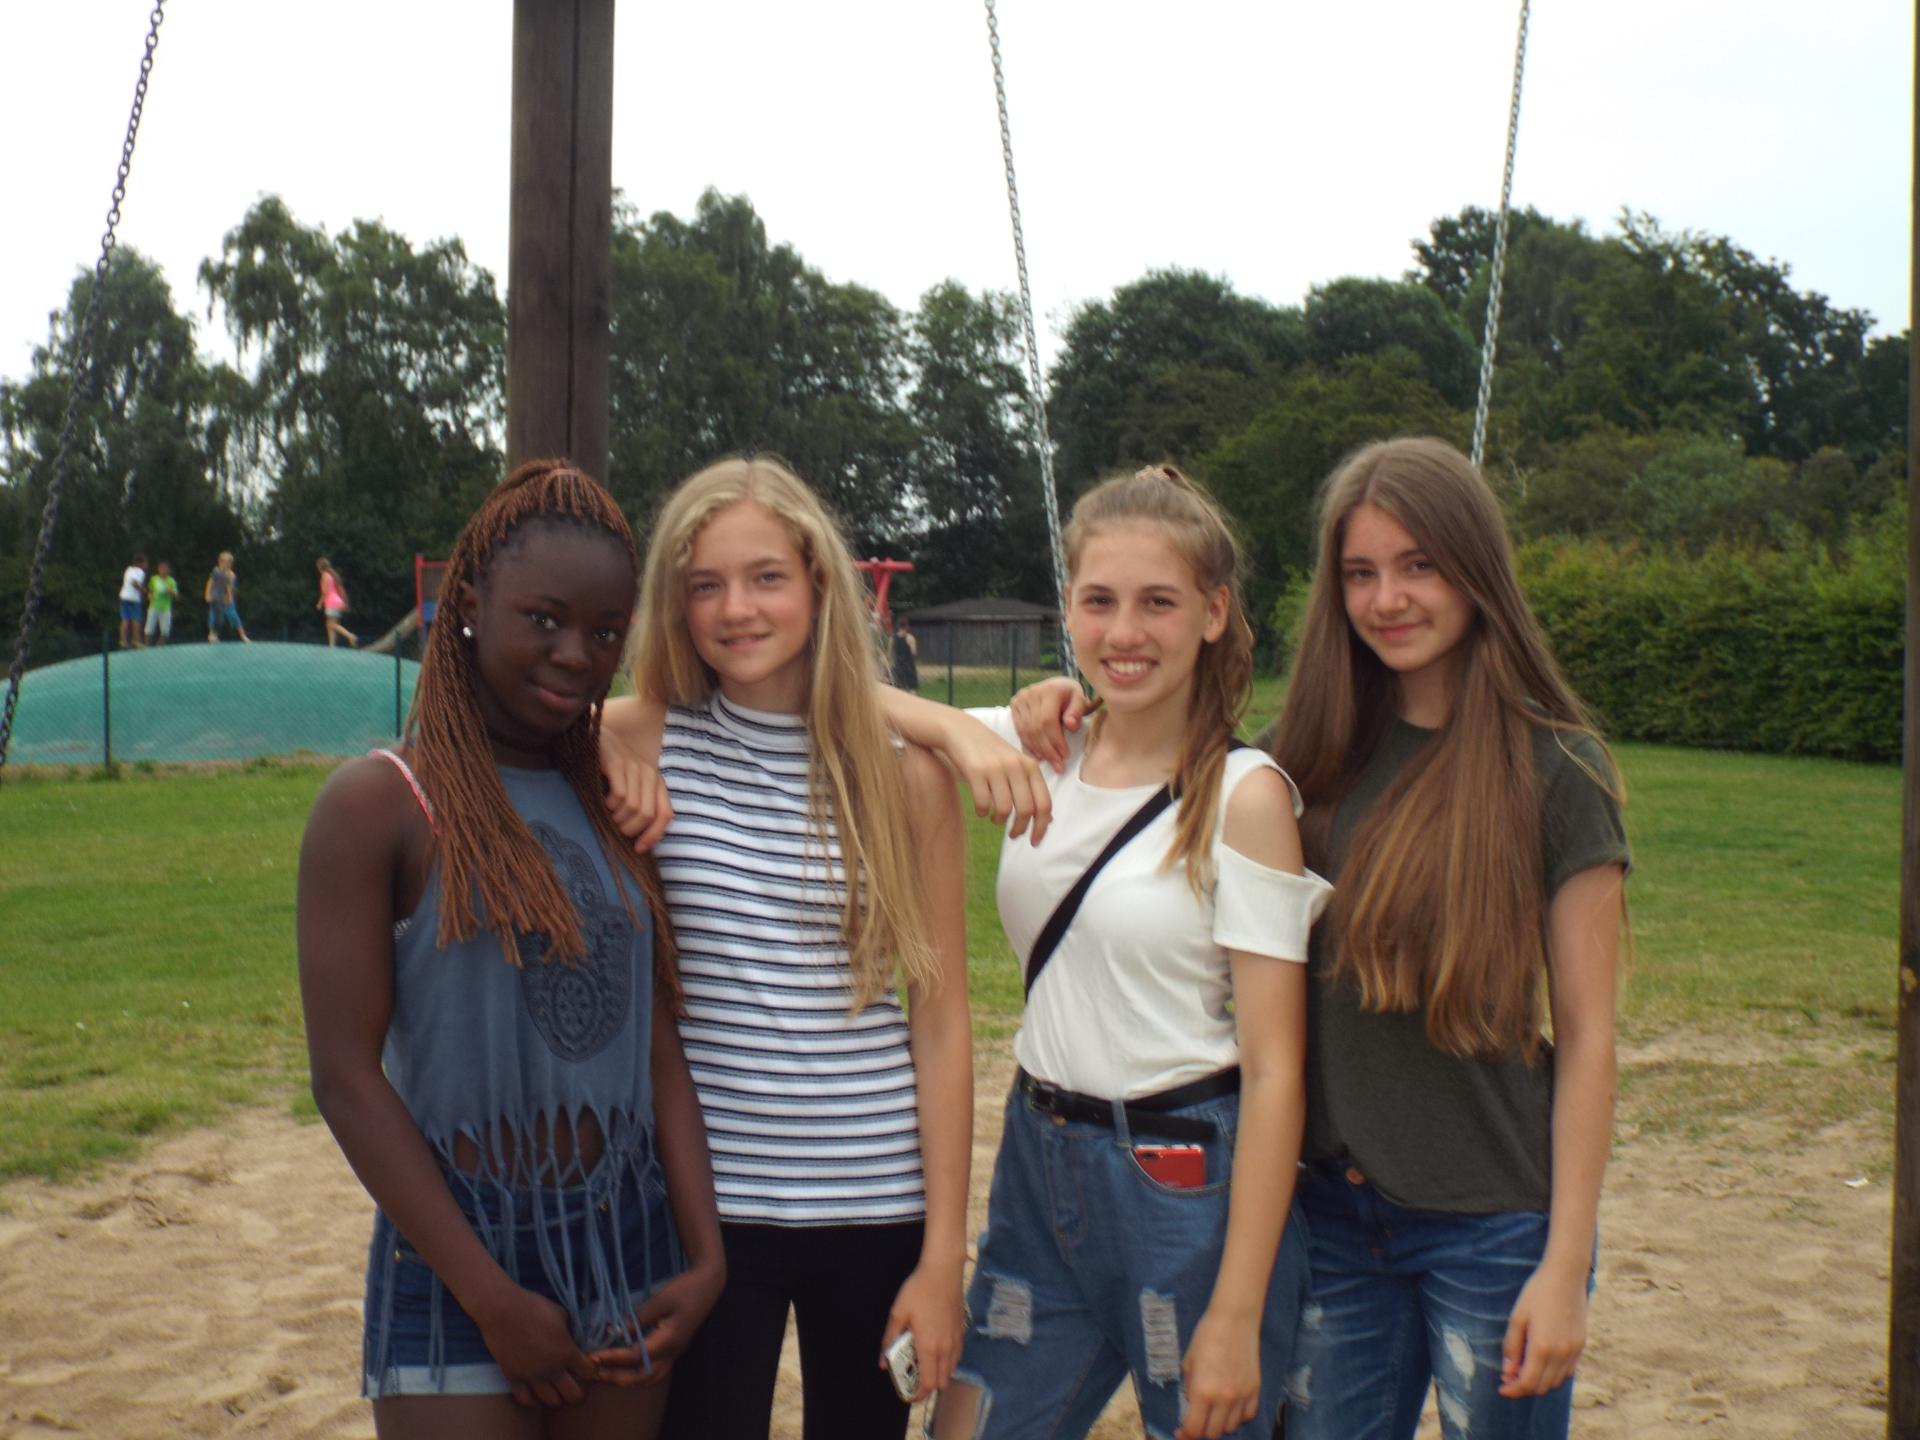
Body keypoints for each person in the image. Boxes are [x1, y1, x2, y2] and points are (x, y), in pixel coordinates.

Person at [1022, 439, 1629, 1439]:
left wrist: (1565, 1265)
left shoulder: (1559, 770)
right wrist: (1059, 705)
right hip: (1332, 1218)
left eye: (1419, 565)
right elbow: (1153, 734)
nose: (1387, 598)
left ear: (1477, 571)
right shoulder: (1302, 758)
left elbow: (1591, 1039)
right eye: (1360, 572)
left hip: (1495, 1225)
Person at [890, 464, 1330, 1440]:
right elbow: (844, 701)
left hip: (1183, 1180)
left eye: (1157, 602)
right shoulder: (1043, 746)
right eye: (1099, 601)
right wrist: (964, 734)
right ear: (1069, 609)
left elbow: (1276, 1071)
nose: (1124, 633)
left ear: (1213, 613)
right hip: (1038, 1164)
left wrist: (1237, 1312)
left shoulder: (1246, 797)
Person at [295, 460, 725, 1438]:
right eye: (544, 619)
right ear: (469, 606)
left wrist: (704, 1258)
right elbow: (345, 1079)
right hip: (458, 1257)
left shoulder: (611, 804)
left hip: (628, 1243)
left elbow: (656, 1045)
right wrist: (490, 1297)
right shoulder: (380, 804)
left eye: (605, 632)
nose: (576, 654)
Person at [598, 454, 972, 1440]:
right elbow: (481, 719)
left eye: (766, 577)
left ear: (817, 584)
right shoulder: (644, 739)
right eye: (705, 585)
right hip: (709, 1212)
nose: (737, 609)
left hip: (876, 1200)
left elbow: (940, 1022)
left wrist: (944, 1257)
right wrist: (593, 747)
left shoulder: (907, 778)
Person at [205, 552, 250, 643]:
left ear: (231, 564)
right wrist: (207, 594)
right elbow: (210, 583)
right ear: (219, 562)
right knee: (214, 617)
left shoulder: (231, 575)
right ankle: (212, 635)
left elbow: (230, 588)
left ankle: (243, 635)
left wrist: (229, 598)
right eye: (223, 562)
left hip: (227, 600)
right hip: (216, 599)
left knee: (233, 616)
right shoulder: (216, 572)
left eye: (228, 563)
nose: (225, 565)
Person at [317, 557, 360, 648]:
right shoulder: (331, 575)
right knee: (330, 624)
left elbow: (325, 592)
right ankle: (332, 645)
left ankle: (350, 636)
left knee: (331, 624)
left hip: (331, 602)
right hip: (337, 602)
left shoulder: (325, 576)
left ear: (320, 567)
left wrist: (320, 603)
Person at [143, 560, 177, 646]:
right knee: (149, 628)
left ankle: (159, 646)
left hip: (165, 608)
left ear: (169, 570)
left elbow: (175, 595)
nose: (163, 570)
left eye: (165, 568)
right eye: (161, 568)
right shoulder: (154, 579)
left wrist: (171, 591)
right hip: (154, 606)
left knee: (165, 631)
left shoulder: (171, 581)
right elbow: (150, 590)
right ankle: (147, 646)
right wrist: (149, 596)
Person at [118, 553, 147, 649]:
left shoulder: (128, 570)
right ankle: (136, 641)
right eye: (144, 563)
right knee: (135, 620)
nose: (146, 565)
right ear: (140, 564)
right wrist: (143, 590)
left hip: (124, 597)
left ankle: (123, 641)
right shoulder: (140, 571)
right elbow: (135, 583)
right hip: (134, 599)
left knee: (125, 619)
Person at [890, 615, 918, 692]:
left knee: (900, 690)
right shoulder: (910, 638)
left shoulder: (892, 638)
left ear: (898, 626)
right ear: (907, 626)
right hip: (909, 667)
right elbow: (914, 652)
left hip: (898, 667)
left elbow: (889, 653)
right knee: (912, 689)